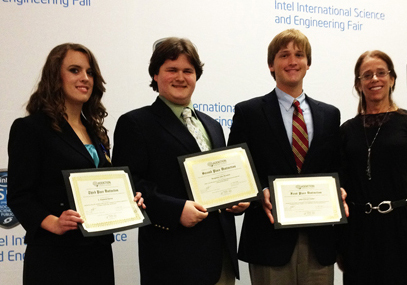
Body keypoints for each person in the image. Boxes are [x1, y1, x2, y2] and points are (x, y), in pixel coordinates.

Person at [112, 37, 248, 285]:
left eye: (188, 71)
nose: (180, 77)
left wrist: (237, 200)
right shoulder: (136, 123)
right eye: (171, 70)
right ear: (155, 74)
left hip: (221, 259)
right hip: (172, 260)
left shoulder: (213, 126)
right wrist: (175, 211)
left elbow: (224, 179)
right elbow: (128, 185)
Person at [7, 43, 144, 285]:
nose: (85, 78)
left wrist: (129, 200)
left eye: (90, 72)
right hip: (55, 256)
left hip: (98, 253)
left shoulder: (96, 131)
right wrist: (54, 223)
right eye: (74, 70)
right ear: (55, 76)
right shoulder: (31, 129)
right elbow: (19, 196)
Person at [228, 29, 342, 285]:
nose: (292, 61)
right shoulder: (249, 112)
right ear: (272, 64)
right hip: (269, 241)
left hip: (319, 243)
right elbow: (236, 174)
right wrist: (258, 194)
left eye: (299, 55)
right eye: (284, 55)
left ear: (308, 63)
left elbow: (337, 170)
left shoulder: (330, 115)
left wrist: (340, 192)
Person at [339, 50, 407, 285]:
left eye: (381, 73)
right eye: (367, 75)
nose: (374, 79)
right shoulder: (347, 130)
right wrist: (340, 241)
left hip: (401, 226)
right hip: (359, 230)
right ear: (358, 84)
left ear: (392, 79)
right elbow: (341, 187)